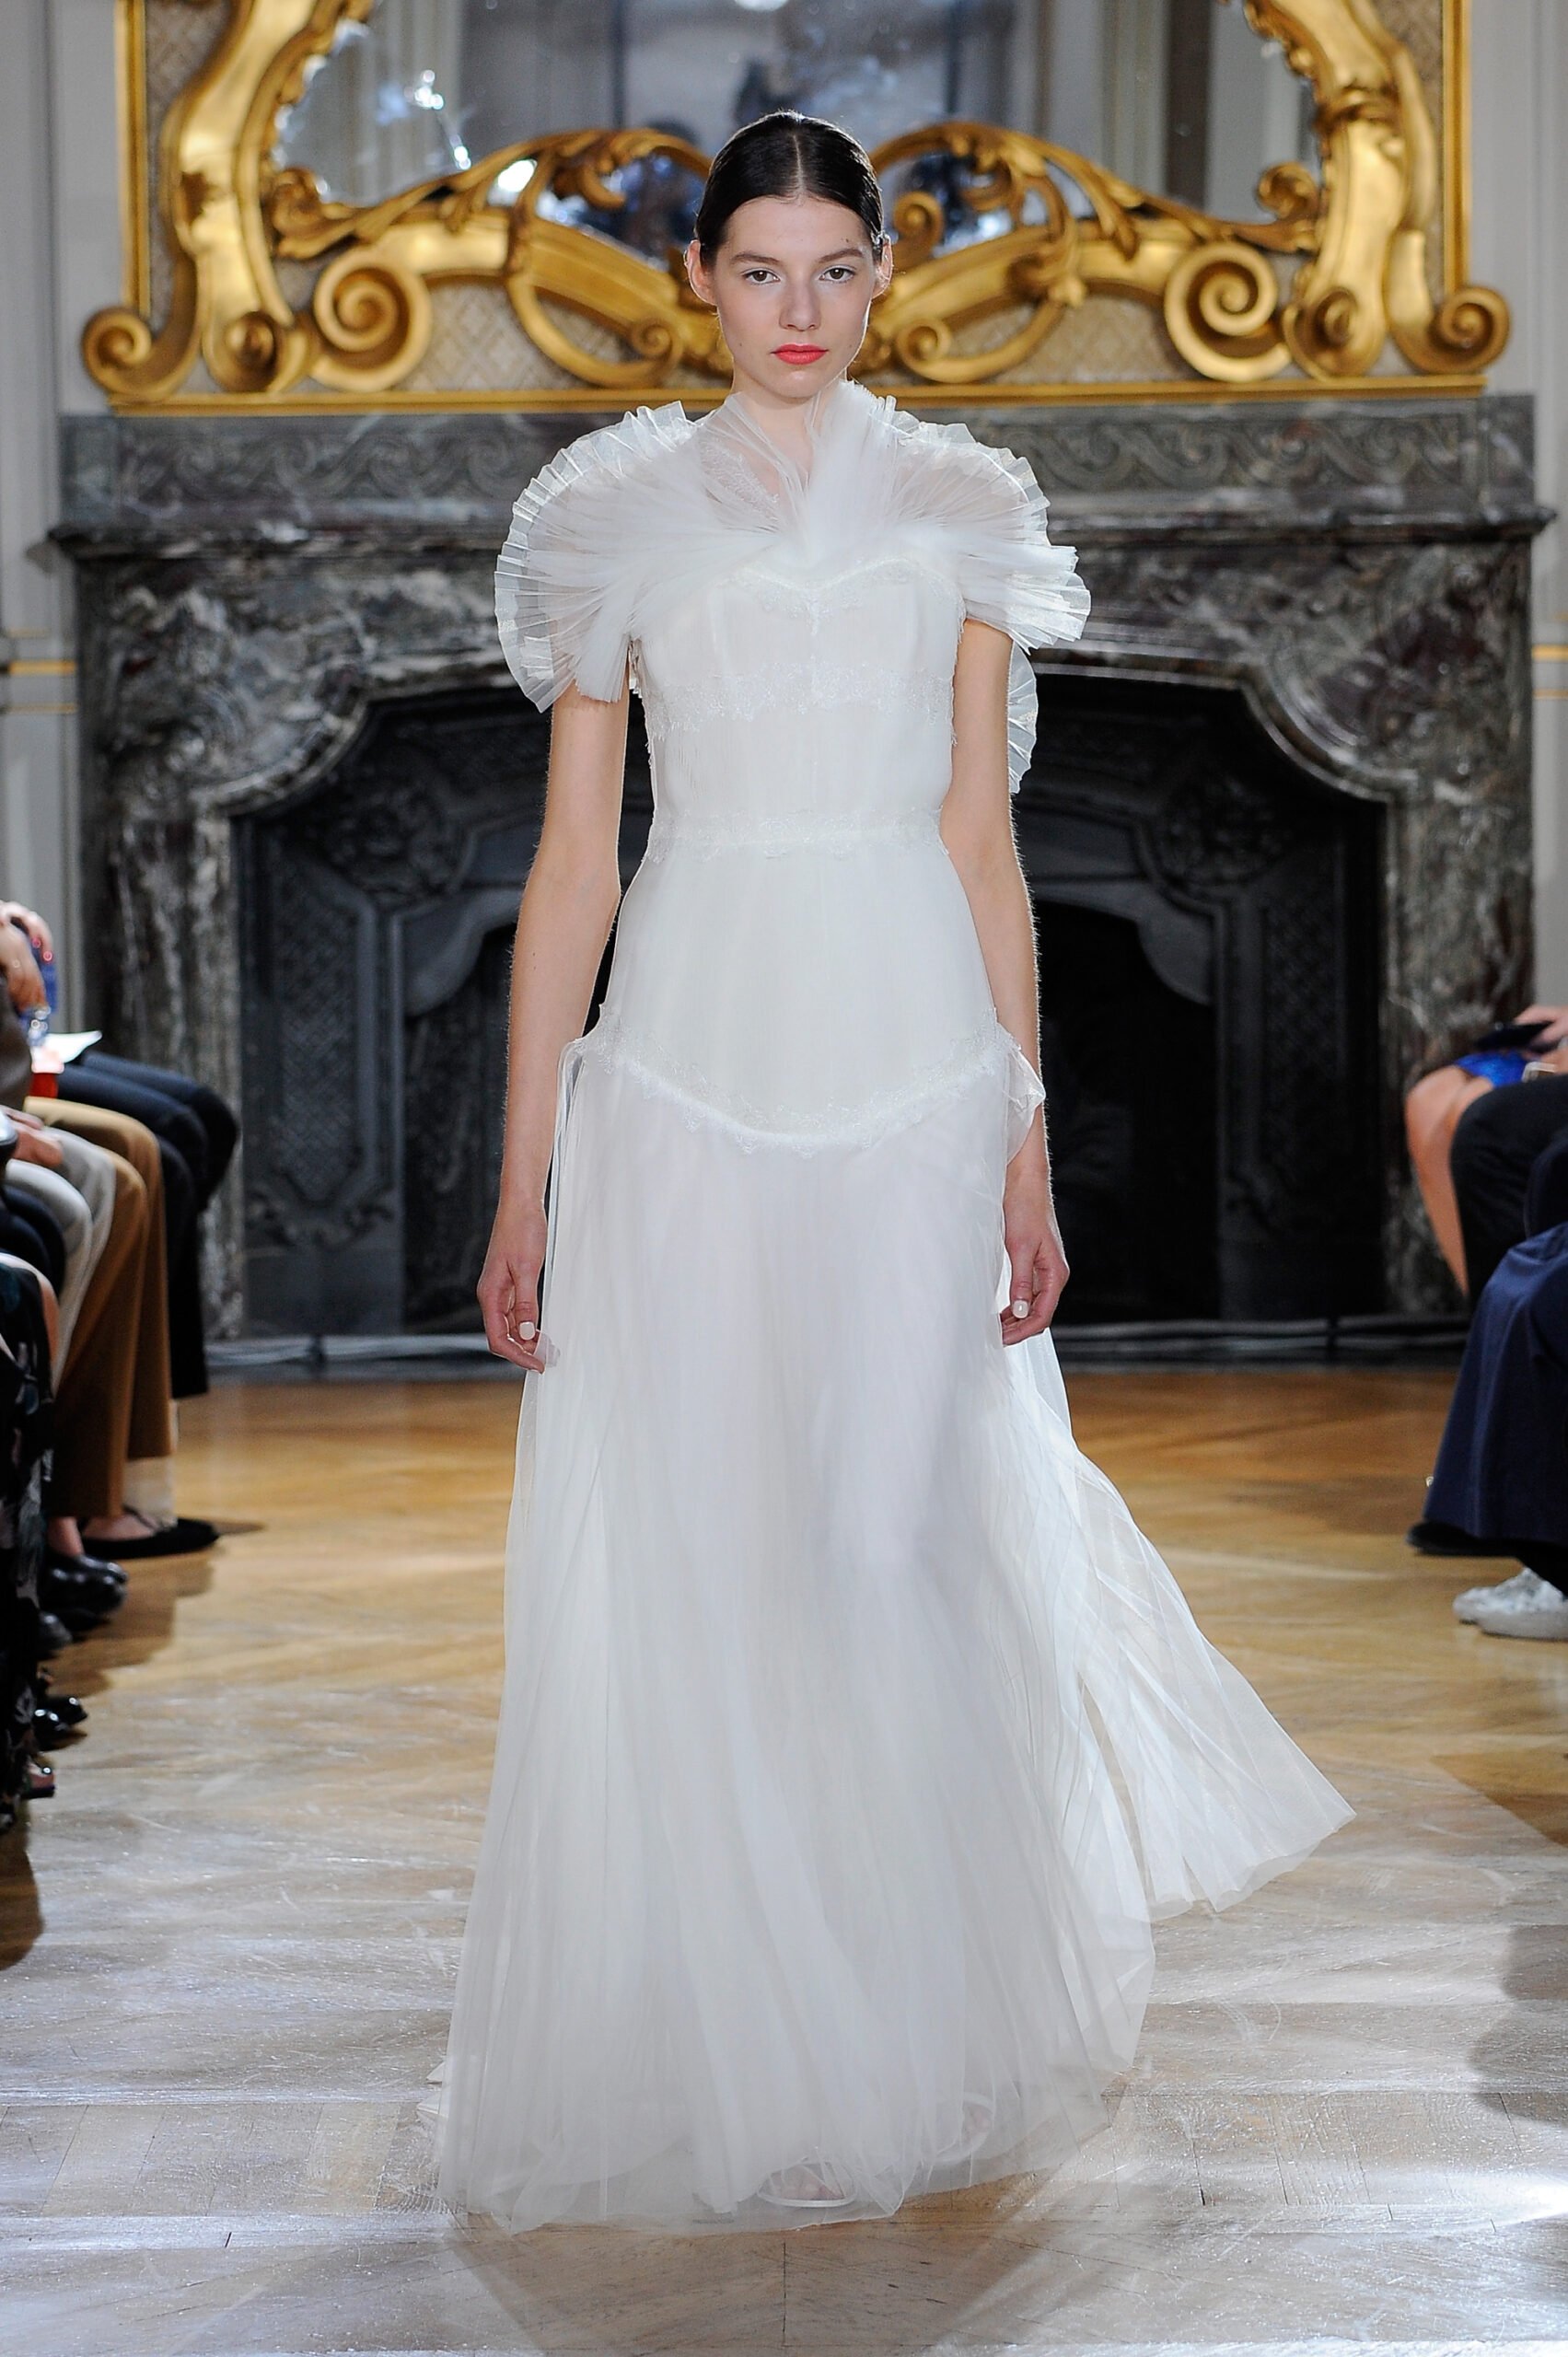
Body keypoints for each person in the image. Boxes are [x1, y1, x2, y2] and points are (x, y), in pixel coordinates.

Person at [431, 111, 1352, 2233]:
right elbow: (577, 861)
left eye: (835, 271)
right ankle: (753, 2036)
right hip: (682, 1074)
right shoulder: (610, 520)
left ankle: (915, 2016)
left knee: (895, 1541)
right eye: (758, 272)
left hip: (914, 1070)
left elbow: (977, 843)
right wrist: (524, 1177)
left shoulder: (965, 506)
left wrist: (1022, 1132)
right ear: (696, 286)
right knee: (725, 1553)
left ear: (883, 277)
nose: (798, 314)